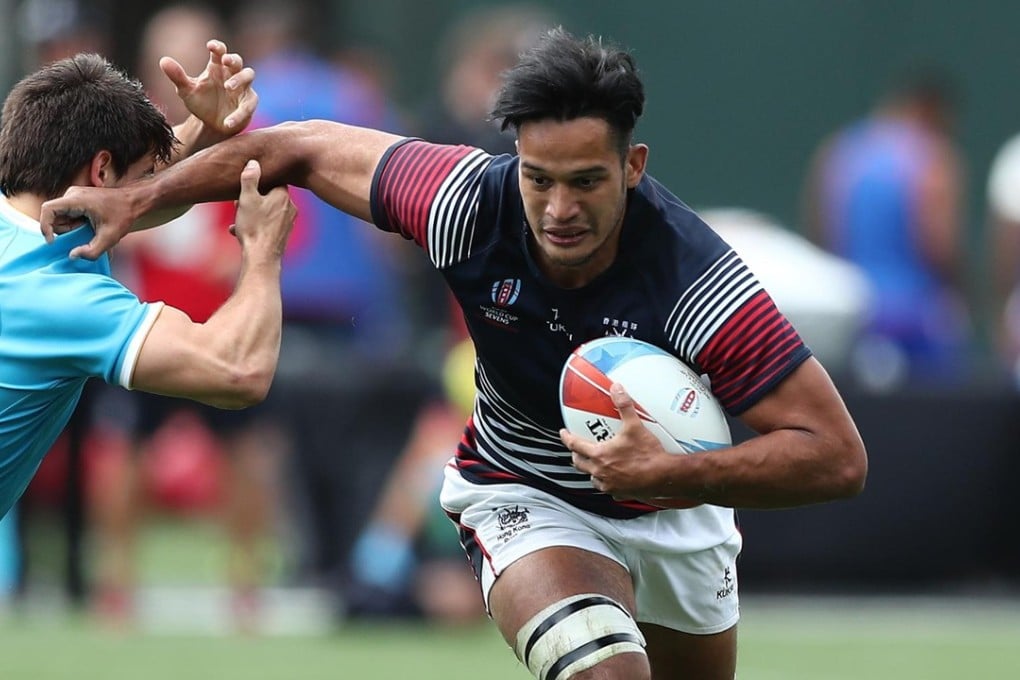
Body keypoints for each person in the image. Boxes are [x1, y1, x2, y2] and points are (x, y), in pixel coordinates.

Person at [39, 28, 868, 680]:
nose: (558, 208)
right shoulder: (465, 202)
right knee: (606, 673)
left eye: (586, 180)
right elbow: (300, 148)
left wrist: (673, 475)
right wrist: (143, 198)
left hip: (675, 511)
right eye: (540, 178)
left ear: (633, 165)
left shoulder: (700, 286)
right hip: (524, 489)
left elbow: (837, 459)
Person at [0, 46, 297, 528]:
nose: (152, 192)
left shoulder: (23, 214)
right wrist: (262, 250)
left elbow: (131, 191)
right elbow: (238, 370)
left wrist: (202, 129)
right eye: (144, 180)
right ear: (100, 172)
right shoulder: (57, 296)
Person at [85, 5, 284, 631]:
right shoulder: (123, 129)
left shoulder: (254, 125)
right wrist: (141, 237)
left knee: (248, 452)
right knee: (121, 449)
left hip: (225, 323)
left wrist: (238, 255)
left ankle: (246, 588)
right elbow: (90, 214)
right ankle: (116, 587)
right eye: (165, 49)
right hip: (142, 324)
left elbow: (284, 221)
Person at [801, 65, 971, 389]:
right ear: (932, 110)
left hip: (853, 311)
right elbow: (939, 243)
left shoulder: (841, 152)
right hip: (917, 316)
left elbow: (822, 232)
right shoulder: (934, 157)